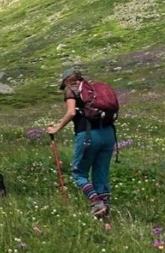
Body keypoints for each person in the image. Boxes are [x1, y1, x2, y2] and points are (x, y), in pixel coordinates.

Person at [46, 68, 115, 218]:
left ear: (66, 81)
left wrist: (56, 128)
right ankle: (106, 211)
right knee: (101, 174)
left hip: (88, 135)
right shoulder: (92, 89)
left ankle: (97, 203)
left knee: (78, 173)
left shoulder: (71, 89)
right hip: (109, 133)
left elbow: (71, 112)